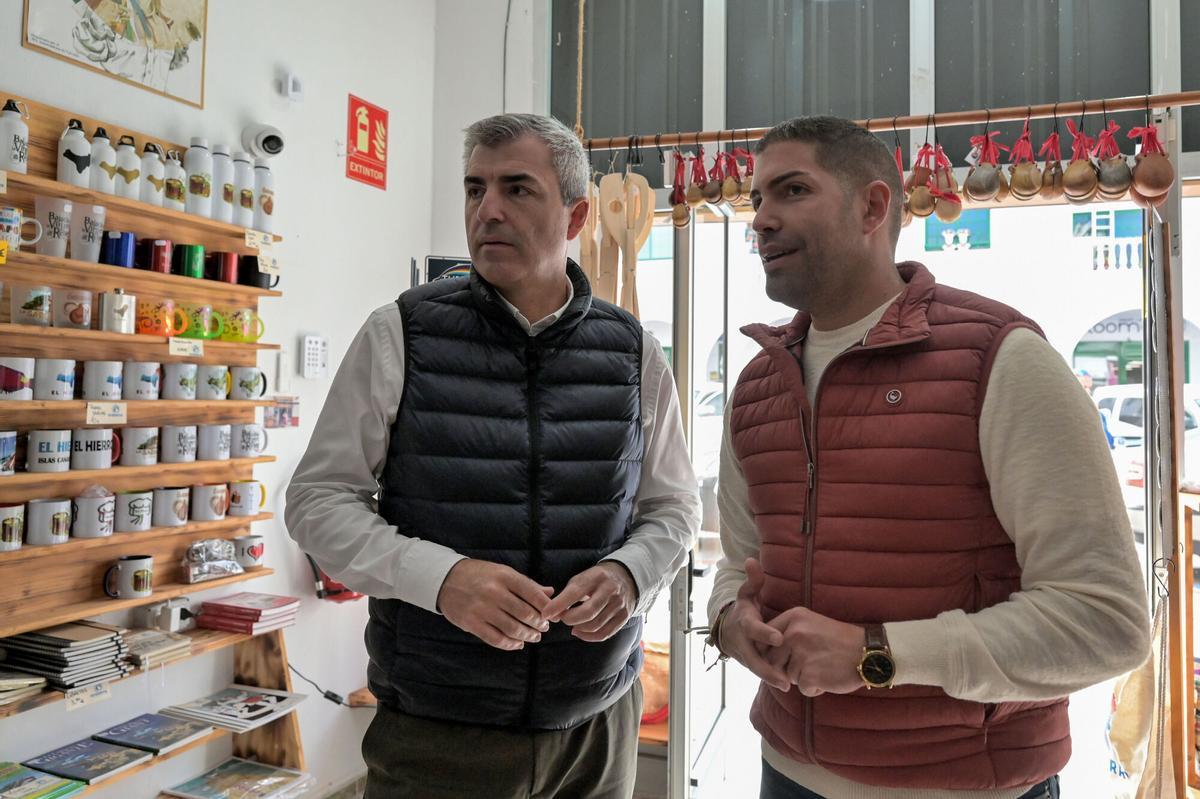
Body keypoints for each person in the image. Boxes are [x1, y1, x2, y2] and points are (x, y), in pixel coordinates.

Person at [706, 115, 1150, 799]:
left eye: (793, 190)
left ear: (872, 208)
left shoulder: (1000, 359)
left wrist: (877, 654)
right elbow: (738, 566)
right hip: (786, 773)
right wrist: (728, 621)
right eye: (758, 198)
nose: (761, 219)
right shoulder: (758, 384)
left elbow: (1106, 622)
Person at [286, 113, 700, 799]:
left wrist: (632, 574)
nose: (488, 210)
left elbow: (675, 506)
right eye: (475, 188)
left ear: (576, 216)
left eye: (517, 188)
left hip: (596, 731)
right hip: (439, 733)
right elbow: (317, 501)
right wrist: (440, 578)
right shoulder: (401, 333)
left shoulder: (633, 350)